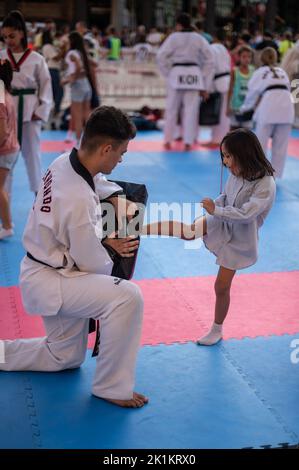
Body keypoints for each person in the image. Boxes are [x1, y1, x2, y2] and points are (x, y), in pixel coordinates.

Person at [0, 106, 148, 409]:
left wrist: (117, 199)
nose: (121, 159)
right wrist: (113, 246)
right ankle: (112, 387)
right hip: (54, 279)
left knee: (64, 357)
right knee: (127, 297)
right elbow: (94, 264)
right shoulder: (77, 199)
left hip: (43, 270)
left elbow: (93, 182)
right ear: (106, 148)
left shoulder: (62, 162)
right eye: (121, 152)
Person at [142, 129, 276, 345]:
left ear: (245, 154)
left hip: (240, 238)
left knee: (221, 287)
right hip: (222, 218)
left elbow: (246, 214)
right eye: (223, 155)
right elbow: (226, 196)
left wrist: (216, 210)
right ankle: (139, 228)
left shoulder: (265, 185)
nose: (225, 161)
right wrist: (215, 204)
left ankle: (217, 328)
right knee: (188, 231)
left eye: (228, 156)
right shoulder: (236, 173)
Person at [0, 10, 52, 195]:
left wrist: (42, 109)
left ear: (21, 33)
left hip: (30, 112)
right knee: (5, 160)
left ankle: (39, 197)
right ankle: (3, 202)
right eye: (5, 37)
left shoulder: (37, 59)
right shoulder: (1, 56)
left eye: (12, 36)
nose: (8, 40)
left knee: (33, 158)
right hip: (6, 112)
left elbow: (46, 86)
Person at [156, 12, 214, 151]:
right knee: (191, 110)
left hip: (176, 73)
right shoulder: (198, 38)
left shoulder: (174, 37)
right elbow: (210, 58)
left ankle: (168, 140)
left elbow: (160, 56)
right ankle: (188, 141)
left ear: (178, 24)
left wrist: (168, 73)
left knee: (171, 109)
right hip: (194, 74)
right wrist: (202, 75)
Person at [240, 47, 294, 178]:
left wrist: (245, 108)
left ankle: (259, 173)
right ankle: (275, 175)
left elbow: (252, 93)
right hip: (287, 105)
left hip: (269, 105)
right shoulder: (282, 71)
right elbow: (290, 87)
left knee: (260, 143)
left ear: (261, 58)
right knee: (281, 145)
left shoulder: (260, 72)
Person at [61, 31, 93, 145]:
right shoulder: (82, 52)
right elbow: (85, 68)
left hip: (78, 85)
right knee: (87, 114)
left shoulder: (72, 53)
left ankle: (78, 143)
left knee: (77, 116)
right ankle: (91, 139)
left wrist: (71, 79)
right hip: (86, 84)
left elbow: (79, 67)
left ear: (71, 41)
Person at [0, 59, 19, 240]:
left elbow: (2, 131)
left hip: (4, 150)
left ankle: (6, 226)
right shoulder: (5, 94)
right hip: (10, 148)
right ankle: (7, 223)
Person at [202, 28, 231, 147]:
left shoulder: (210, 49)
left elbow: (211, 69)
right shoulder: (223, 48)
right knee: (224, 113)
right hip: (227, 80)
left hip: (218, 82)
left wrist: (206, 88)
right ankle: (222, 139)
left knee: (218, 112)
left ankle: (216, 140)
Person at [227, 45, 255, 130]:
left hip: (248, 106)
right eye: (244, 57)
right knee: (233, 131)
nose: (247, 59)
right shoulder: (235, 71)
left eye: (249, 57)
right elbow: (230, 89)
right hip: (235, 105)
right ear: (239, 57)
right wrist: (227, 106)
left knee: (247, 132)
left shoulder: (253, 71)